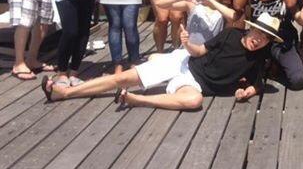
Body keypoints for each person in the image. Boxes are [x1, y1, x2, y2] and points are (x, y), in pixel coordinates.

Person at [41, 13, 281, 110]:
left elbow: (256, 83)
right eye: (259, 33)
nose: (259, 40)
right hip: (185, 63)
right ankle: (66, 93)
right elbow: (199, 51)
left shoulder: (259, 56)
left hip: (197, 85)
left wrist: (246, 93)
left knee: (193, 101)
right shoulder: (231, 34)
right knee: (124, 77)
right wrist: (186, 43)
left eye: (266, 39)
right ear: (250, 29)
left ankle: (137, 99)